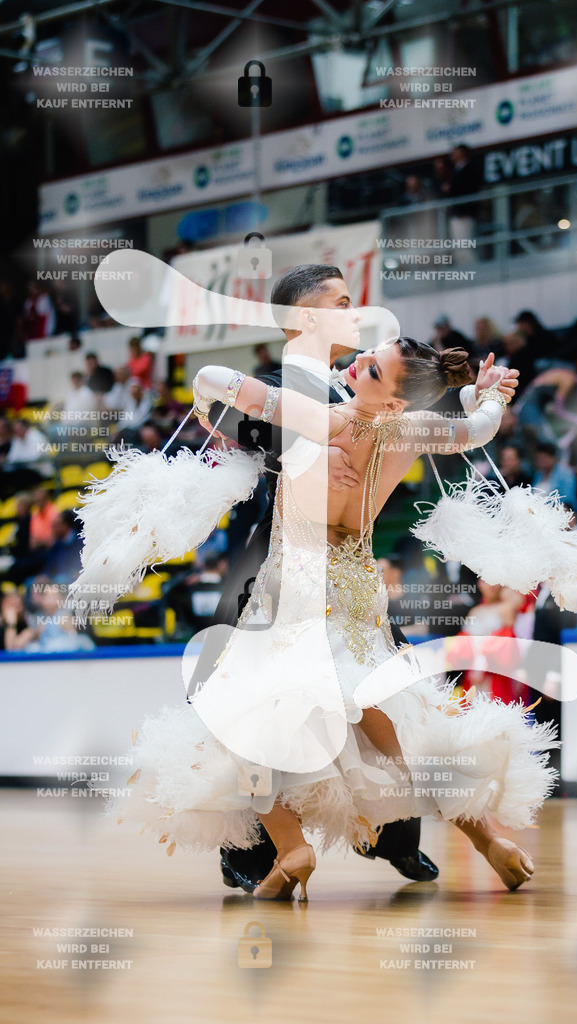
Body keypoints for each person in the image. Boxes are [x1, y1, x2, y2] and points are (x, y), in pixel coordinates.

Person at [109, 338, 560, 899]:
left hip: (292, 593)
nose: (357, 363)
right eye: (368, 354)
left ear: (393, 401)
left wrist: (208, 405)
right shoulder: (409, 431)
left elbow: (209, 380)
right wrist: (484, 396)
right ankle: (488, 839)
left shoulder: (323, 419)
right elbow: (481, 429)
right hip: (359, 596)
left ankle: (292, 846)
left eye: (372, 369)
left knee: (244, 718)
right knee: (402, 731)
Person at [191, 265, 438, 889]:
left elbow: (416, 410)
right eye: (341, 303)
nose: (355, 314)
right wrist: (307, 447)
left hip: (349, 575)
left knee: (380, 693)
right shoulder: (285, 380)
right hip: (269, 569)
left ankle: (393, 834)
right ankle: (252, 855)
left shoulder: (356, 382)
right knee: (248, 703)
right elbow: (234, 421)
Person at [532, 442, 577, 508]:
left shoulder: (566, 475)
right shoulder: (537, 475)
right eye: (539, 458)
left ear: (553, 458)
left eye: (544, 457)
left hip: (558, 511)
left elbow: (567, 500)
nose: (541, 461)